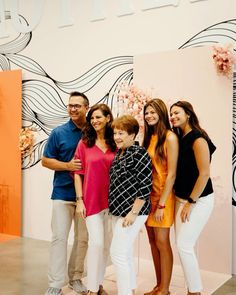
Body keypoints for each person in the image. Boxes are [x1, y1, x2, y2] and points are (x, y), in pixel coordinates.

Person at [41, 91, 89, 295]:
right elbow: (45, 160)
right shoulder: (58, 133)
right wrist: (67, 165)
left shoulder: (93, 131)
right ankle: (55, 283)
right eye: (70, 105)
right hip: (62, 194)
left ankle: (76, 278)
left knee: (82, 239)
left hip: (87, 197)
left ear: (87, 107)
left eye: (77, 105)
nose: (73, 109)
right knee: (59, 238)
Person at [170, 101, 216, 295]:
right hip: (181, 200)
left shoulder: (198, 139)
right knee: (183, 247)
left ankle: (195, 291)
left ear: (188, 114)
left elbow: (204, 174)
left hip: (199, 201)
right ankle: (191, 288)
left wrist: (190, 202)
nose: (173, 116)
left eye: (177, 113)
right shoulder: (179, 137)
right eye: (171, 113)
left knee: (184, 244)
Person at [73, 103, 117, 295]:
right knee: (96, 243)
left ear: (108, 118)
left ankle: (98, 284)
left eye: (98, 117)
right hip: (91, 201)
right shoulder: (84, 143)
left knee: (107, 246)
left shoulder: (117, 141)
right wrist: (79, 199)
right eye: (92, 118)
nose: (94, 121)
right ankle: (91, 288)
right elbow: (77, 173)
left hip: (114, 202)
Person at [109, 115, 152, 295]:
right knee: (124, 253)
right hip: (117, 211)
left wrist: (133, 213)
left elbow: (145, 186)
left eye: (121, 133)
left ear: (133, 134)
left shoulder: (139, 153)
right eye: (115, 133)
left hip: (132, 212)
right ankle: (130, 289)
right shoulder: (120, 153)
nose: (117, 137)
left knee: (117, 253)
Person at [143, 99, 179, 295]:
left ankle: (165, 289)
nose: (149, 116)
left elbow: (171, 174)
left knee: (162, 242)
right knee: (152, 241)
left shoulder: (170, 138)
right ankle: (158, 285)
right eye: (146, 112)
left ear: (161, 113)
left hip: (163, 198)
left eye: (152, 112)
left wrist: (162, 205)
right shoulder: (149, 137)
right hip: (148, 197)